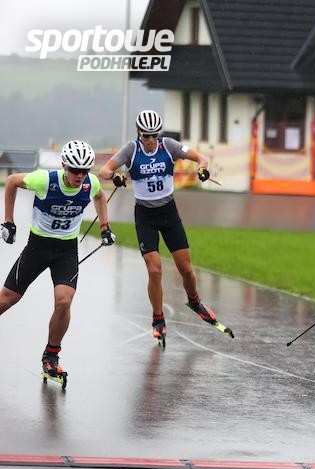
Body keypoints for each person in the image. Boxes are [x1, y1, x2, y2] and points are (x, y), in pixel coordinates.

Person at [99, 109, 218, 344]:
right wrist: (115, 177)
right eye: (147, 136)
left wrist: (202, 168)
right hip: (145, 216)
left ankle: (195, 301)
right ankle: (158, 319)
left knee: (186, 269)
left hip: (169, 213)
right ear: (138, 133)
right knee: (154, 270)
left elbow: (201, 158)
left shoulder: (169, 146)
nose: (152, 140)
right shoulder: (131, 149)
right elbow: (104, 170)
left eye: (155, 135)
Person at [0, 140, 115, 380]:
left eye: (85, 170)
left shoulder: (90, 183)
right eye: (74, 170)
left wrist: (105, 227)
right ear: (64, 165)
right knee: (7, 299)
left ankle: (51, 357)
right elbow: (11, 182)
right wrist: (9, 222)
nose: (80, 176)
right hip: (38, 247)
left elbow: (100, 196)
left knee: (64, 301)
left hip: (66, 251)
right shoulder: (45, 180)